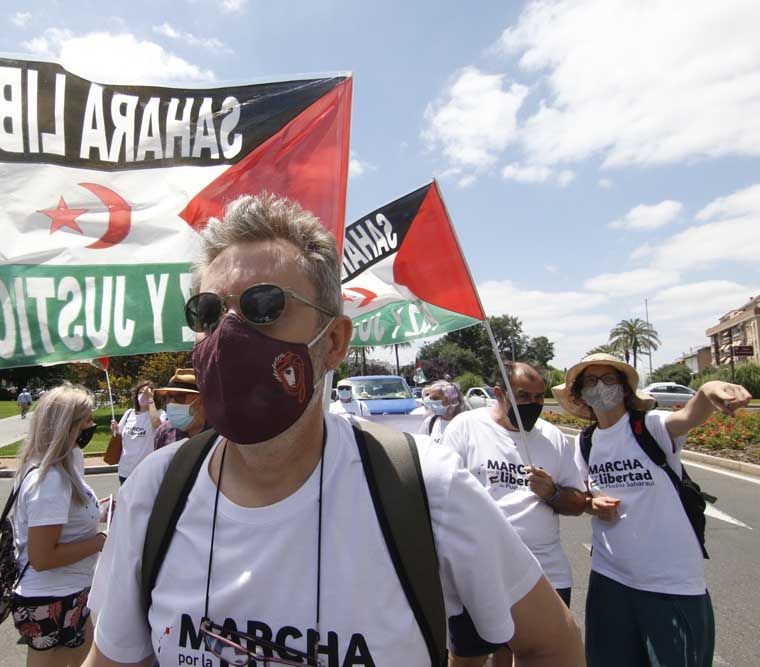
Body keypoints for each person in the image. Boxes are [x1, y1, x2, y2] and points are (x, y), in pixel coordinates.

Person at [85, 194, 582, 667]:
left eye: (265, 305)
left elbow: (551, 644)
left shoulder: (425, 488)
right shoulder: (156, 491)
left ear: (334, 342)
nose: (229, 333)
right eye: (209, 312)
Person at [553, 353, 752, 667]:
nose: (600, 387)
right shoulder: (586, 443)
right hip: (610, 580)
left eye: (609, 380)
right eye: (591, 381)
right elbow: (581, 495)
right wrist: (592, 505)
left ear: (624, 389)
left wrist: (709, 389)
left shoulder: (651, 427)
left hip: (670, 582)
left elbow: (687, 416)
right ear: (580, 393)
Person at [442, 362, 587, 667]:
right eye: (523, 396)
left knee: (537, 652)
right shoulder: (466, 427)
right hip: (480, 569)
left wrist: (553, 493)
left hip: (544, 571)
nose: (532, 405)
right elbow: (442, 491)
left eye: (538, 398)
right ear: (499, 393)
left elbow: (579, 502)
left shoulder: (553, 438)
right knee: (468, 656)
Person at [11, 383, 107, 666]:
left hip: (67, 593)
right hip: (52, 597)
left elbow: (61, 520)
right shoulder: (51, 480)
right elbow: (42, 557)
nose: (92, 426)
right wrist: (101, 541)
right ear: (68, 425)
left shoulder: (58, 467)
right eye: (87, 421)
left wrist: (97, 510)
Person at [111, 381, 166, 485]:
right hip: (125, 471)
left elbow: (158, 427)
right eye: (140, 392)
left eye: (146, 393)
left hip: (146, 472)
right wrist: (115, 429)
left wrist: (150, 400)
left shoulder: (160, 414)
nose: (142, 395)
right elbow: (118, 433)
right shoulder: (129, 413)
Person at [153, 368, 207, 449]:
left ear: (200, 400)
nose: (171, 403)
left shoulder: (218, 434)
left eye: (179, 396)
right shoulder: (163, 432)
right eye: (168, 397)